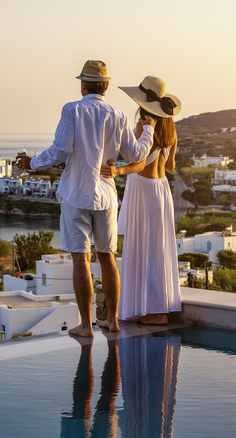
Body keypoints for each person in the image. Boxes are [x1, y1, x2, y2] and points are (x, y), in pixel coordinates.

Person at [17, 60, 156, 337]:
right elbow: (137, 154)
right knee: (107, 258)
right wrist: (149, 128)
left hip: (76, 194)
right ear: (105, 86)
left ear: (83, 85)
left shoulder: (73, 110)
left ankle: (85, 325)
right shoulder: (117, 114)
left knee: (80, 260)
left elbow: (59, 150)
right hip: (105, 197)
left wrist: (31, 162)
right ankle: (113, 320)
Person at [100, 75, 182, 325]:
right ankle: (157, 309)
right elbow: (170, 167)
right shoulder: (170, 131)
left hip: (144, 192)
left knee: (142, 251)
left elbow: (136, 163)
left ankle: (152, 312)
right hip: (160, 191)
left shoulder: (142, 129)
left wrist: (117, 171)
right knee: (157, 251)